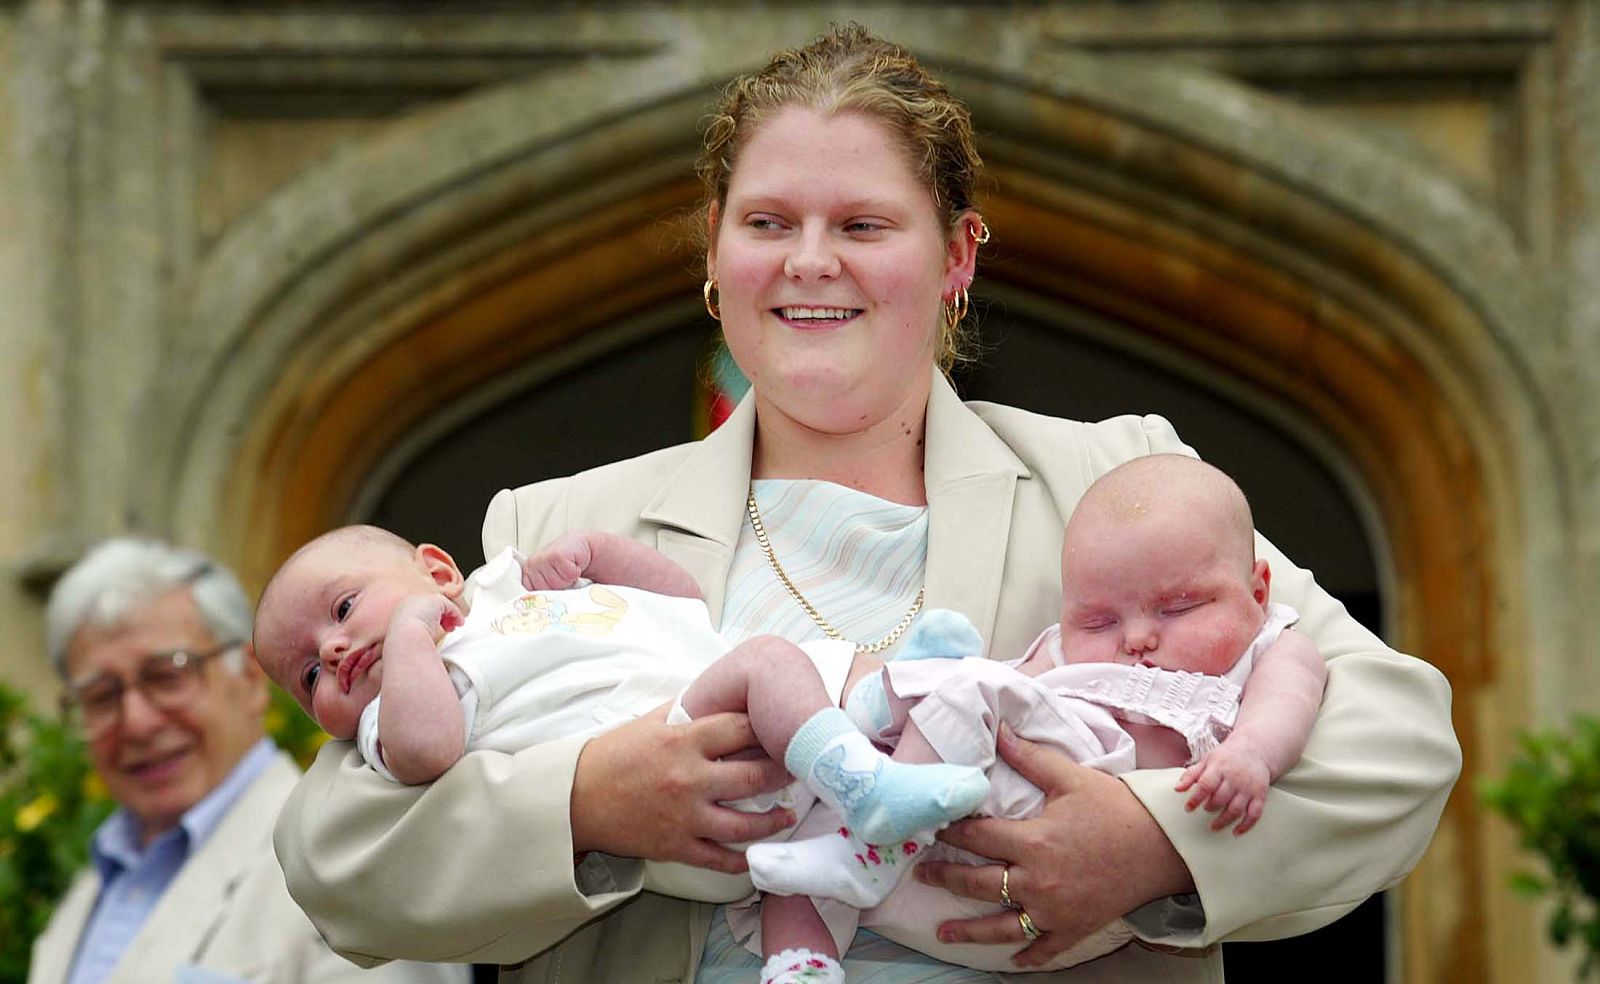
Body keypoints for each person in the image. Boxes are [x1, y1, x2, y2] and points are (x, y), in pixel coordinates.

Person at [273, 24, 1461, 984]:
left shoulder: (1121, 479)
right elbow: (337, 855)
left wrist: (1148, 844)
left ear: (957, 256)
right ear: (714, 254)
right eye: (768, 223)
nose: (809, 261)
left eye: (863, 225)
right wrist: (588, 804)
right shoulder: (554, 533)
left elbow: (1395, 741)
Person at [741, 453, 1328, 978]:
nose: (1139, 638)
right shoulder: (1062, 651)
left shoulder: (1273, 646)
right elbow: (1015, 692)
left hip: (1088, 855)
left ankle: (880, 737)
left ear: (1257, 594)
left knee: (968, 684)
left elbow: (1290, 703)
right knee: (804, 838)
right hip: (965, 845)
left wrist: (1252, 752)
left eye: (1179, 607)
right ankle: (802, 963)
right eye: (1098, 621)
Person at [251, 525, 985, 846]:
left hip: (708, 690)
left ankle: (891, 695)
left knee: (792, 663)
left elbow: (682, 604)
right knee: (767, 661)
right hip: (667, 748)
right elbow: (428, 751)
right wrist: (409, 636)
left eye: (343, 609)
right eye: (309, 674)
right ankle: (868, 778)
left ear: (440, 573)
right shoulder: (396, 713)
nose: (334, 648)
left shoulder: (511, 591)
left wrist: (601, 552)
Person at [28, 538, 468, 984]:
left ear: (252, 680)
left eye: (167, 674)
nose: (137, 723)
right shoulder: (95, 886)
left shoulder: (358, 848)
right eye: (100, 696)